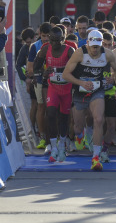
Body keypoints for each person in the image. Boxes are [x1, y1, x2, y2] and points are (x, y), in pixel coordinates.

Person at [62, 29, 116, 171]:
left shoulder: (108, 54)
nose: (95, 50)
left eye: (97, 47)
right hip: (80, 92)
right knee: (77, 127)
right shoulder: (79, 53)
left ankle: (95, 157)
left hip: (97, 90)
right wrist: (81, 82)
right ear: (87, 43)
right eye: (93, 46)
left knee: (99, 119)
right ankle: (79, 135)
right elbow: (65, 74)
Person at [33, 27, 75, 163]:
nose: (54, 43)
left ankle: (62, 144)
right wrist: (42, 73)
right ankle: (53, 146)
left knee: (63, 118)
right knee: (50, 114)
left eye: (58, 40)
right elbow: (36, 66)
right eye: (52, 40)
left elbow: (77, 69)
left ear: (63, 39)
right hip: (53, 87)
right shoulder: (45, 49)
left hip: (66, 89)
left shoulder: (69, 51)